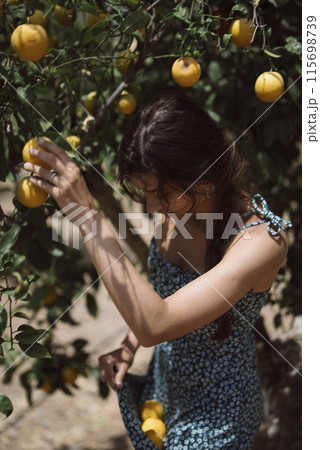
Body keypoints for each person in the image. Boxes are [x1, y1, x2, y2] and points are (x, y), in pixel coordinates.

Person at [23, 94, 292, 449]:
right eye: (147, 192)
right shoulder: (177, 208)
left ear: (202, 176)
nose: (152, 206)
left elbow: (158, 323)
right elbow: (166, 294)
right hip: (164, 391)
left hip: (218, 416)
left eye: (161, 193)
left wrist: (89, 218)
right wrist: (128, 344)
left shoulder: (259, 243)